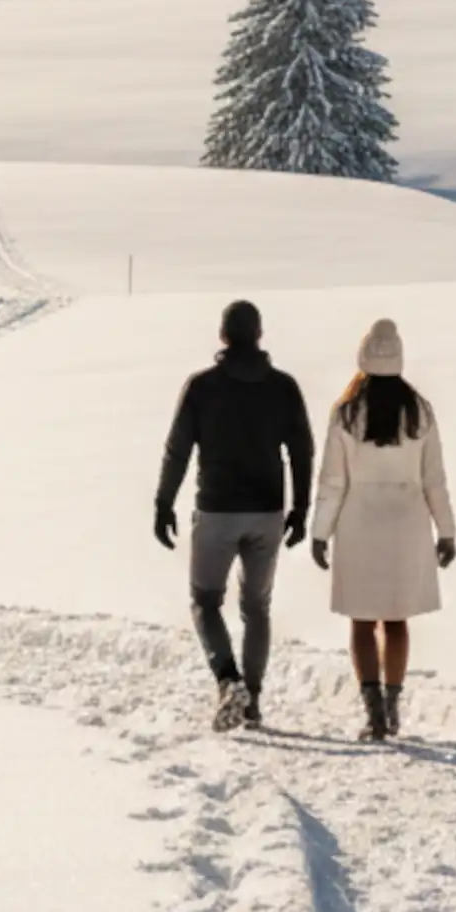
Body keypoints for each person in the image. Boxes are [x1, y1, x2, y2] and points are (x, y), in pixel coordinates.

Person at [154, 299, 314, 732]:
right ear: (259, 335)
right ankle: (253, 701)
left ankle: (228, 681)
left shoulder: (202, 386)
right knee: (257, 608)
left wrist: (163, 503)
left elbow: (178, 450)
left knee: (205, 602)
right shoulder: (284, 387)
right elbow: (302, 450)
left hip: (217, 511)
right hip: (267, 513)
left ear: (223, 337)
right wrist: (301, 507)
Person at [310, 318, 456, 742]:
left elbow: (333, 481)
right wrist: (446, 530)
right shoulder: (420, 410)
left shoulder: (347, 411)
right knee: (396, 620)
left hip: (358, 523)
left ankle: (373, 711)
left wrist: (321, 531)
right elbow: (435, 479)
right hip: (408, 522)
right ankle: (393, 705)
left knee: (361, 620)